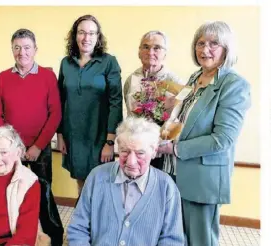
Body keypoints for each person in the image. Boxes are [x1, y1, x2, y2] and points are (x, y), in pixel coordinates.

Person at [158, 21, 251, 246]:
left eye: (214, 43)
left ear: (227, 49)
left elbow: (223, 139)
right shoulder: (195, 77)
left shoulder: (234, 85)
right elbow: (185, 119)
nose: (204, 49)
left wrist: (175, 148)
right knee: (177, 237)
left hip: (202, 176)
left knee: (201, 240)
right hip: (174, 170)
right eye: (200, 43)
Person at [0, 29, 64, 245]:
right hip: (11, 148)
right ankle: (14, 235)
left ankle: (54, 237)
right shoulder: (3, 77)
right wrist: (11, 145)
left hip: (39, 148)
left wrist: (38, 146)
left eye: (27, 47)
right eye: (17, 47)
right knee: (10, 191)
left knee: (43, 192)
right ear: (12, 49)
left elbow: (55, 114)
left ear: (35, 50)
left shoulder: (47, 76)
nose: (22, 52)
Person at [67, 117, 184, 246]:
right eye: (125, 151)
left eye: (140, 153)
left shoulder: (167, 187)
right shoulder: (97, 177)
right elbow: (78, 229)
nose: (131, 162)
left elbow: (172, 240)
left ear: (154, 152)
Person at [57, 14, 123, 195]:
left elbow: (116, 102)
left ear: (98, 37)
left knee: (100, 184)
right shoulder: (66, 63)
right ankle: (83, 221)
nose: (86, 38)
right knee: (81, 184)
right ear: (74, 36)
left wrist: (110, 141)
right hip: (73, 135)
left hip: (98, 135)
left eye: (92, 33)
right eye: (82, 33)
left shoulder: (109, 62)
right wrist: (60, 135)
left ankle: (98, 222)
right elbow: (60, 101)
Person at [123, 30, 183, 174]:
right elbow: (130, 115)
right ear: (139, 52)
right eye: (146, 47)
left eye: (157, 48)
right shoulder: (131, 80)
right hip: (136, 151)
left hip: (163, 152)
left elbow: (180, 120)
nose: (150, 52)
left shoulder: (175, 83)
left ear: (165, 54)